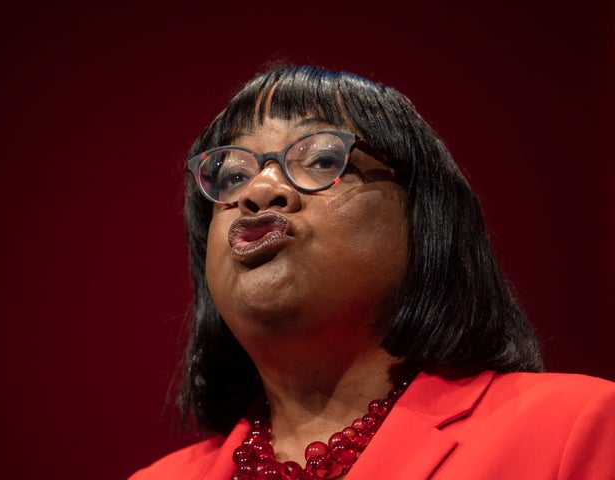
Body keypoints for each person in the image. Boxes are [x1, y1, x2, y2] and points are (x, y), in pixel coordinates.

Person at [130, 64, 615, 479]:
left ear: (424, 218)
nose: (259, 192)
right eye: (233, 175)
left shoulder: (575, 428)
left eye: (320, 159)